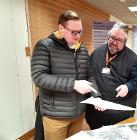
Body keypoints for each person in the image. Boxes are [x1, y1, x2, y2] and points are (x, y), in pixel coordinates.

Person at [31, 10, 100, 140]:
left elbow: (89, 75)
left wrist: (96, 96)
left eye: (80, 31)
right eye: (73, 32)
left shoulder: (82, 49)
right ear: (61, 28)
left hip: (78, 114)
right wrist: (73, 84)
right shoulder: (45, 46)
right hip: (56, 116)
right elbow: (39, 77)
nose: (78, 36)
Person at [85, 22, 137, 129]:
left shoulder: (133, 59)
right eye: (113, 38)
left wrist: (128, 86)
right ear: (109, 36)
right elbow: (90, 75)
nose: (114, 42)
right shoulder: (97, 52)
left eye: (119, 40)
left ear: (124, 42)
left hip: (119, 113)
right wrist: (96, 96)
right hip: (96, 110)